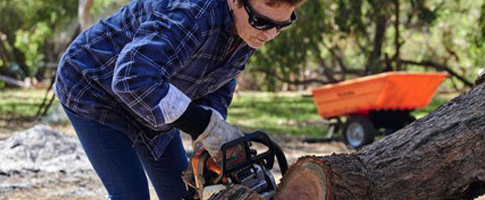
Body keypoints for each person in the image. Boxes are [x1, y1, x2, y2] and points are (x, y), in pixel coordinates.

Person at [53, 0, 306, 199]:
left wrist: (210, 132)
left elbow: (219, 81)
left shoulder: (249, 29)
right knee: (131, 195)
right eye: (262, 22)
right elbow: (132, 76)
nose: (270, 35)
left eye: (281, 25)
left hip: (154, 93)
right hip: (95, 86)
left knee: (182, 194)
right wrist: (202, 124)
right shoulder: (192, 12)